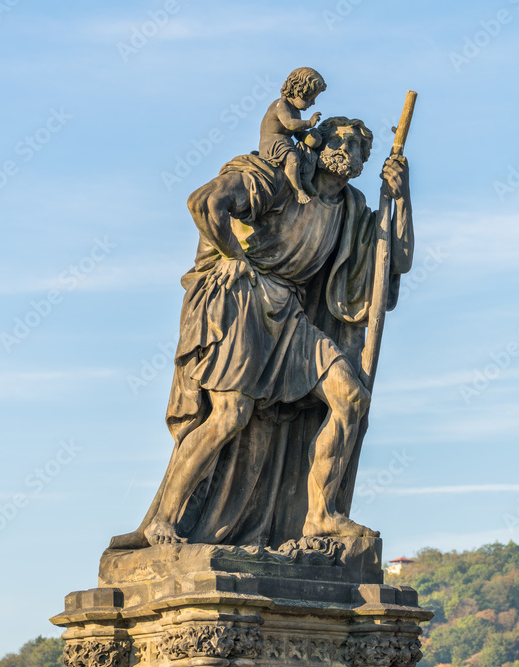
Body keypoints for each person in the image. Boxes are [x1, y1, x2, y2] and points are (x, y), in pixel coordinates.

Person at [110, 116, 415, 550]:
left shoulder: (351, 207)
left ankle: (321, 515)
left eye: (358, 146)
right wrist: (230, 254)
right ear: (318, 142)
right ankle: (164, 518)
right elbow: (204, 203)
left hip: (288, 315)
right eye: (339, 139)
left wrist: (400, 199)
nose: (347, 149)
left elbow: (394, 260)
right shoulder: (280, 179)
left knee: (352, 399)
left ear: (366, 161)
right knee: (229, 415)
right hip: (242, 299)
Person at [258, 67, 325, 204]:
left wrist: (309, 137)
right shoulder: (280, 105)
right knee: (292, 158)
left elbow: (297, 132)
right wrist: (309, 123)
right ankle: (298, 190)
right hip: (273, 144)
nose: (313, 103)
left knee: (309, 154)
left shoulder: (296, 111)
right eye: (310, 98)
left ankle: (305, 179)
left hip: (287, 144)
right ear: (298, 92)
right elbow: (290, 124)